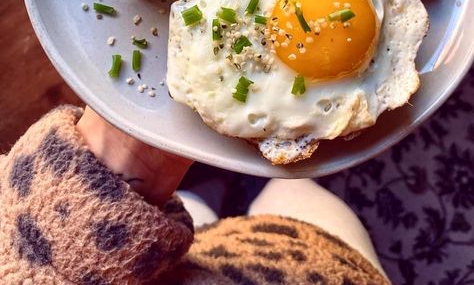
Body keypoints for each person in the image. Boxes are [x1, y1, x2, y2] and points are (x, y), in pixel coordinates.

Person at [0, 105, 390, 284]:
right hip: (318, 263)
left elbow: (22, 255)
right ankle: (248, 185)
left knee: (201, 211)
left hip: (189, 258)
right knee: (293, 193)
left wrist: (128, 154)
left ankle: (225, 191)